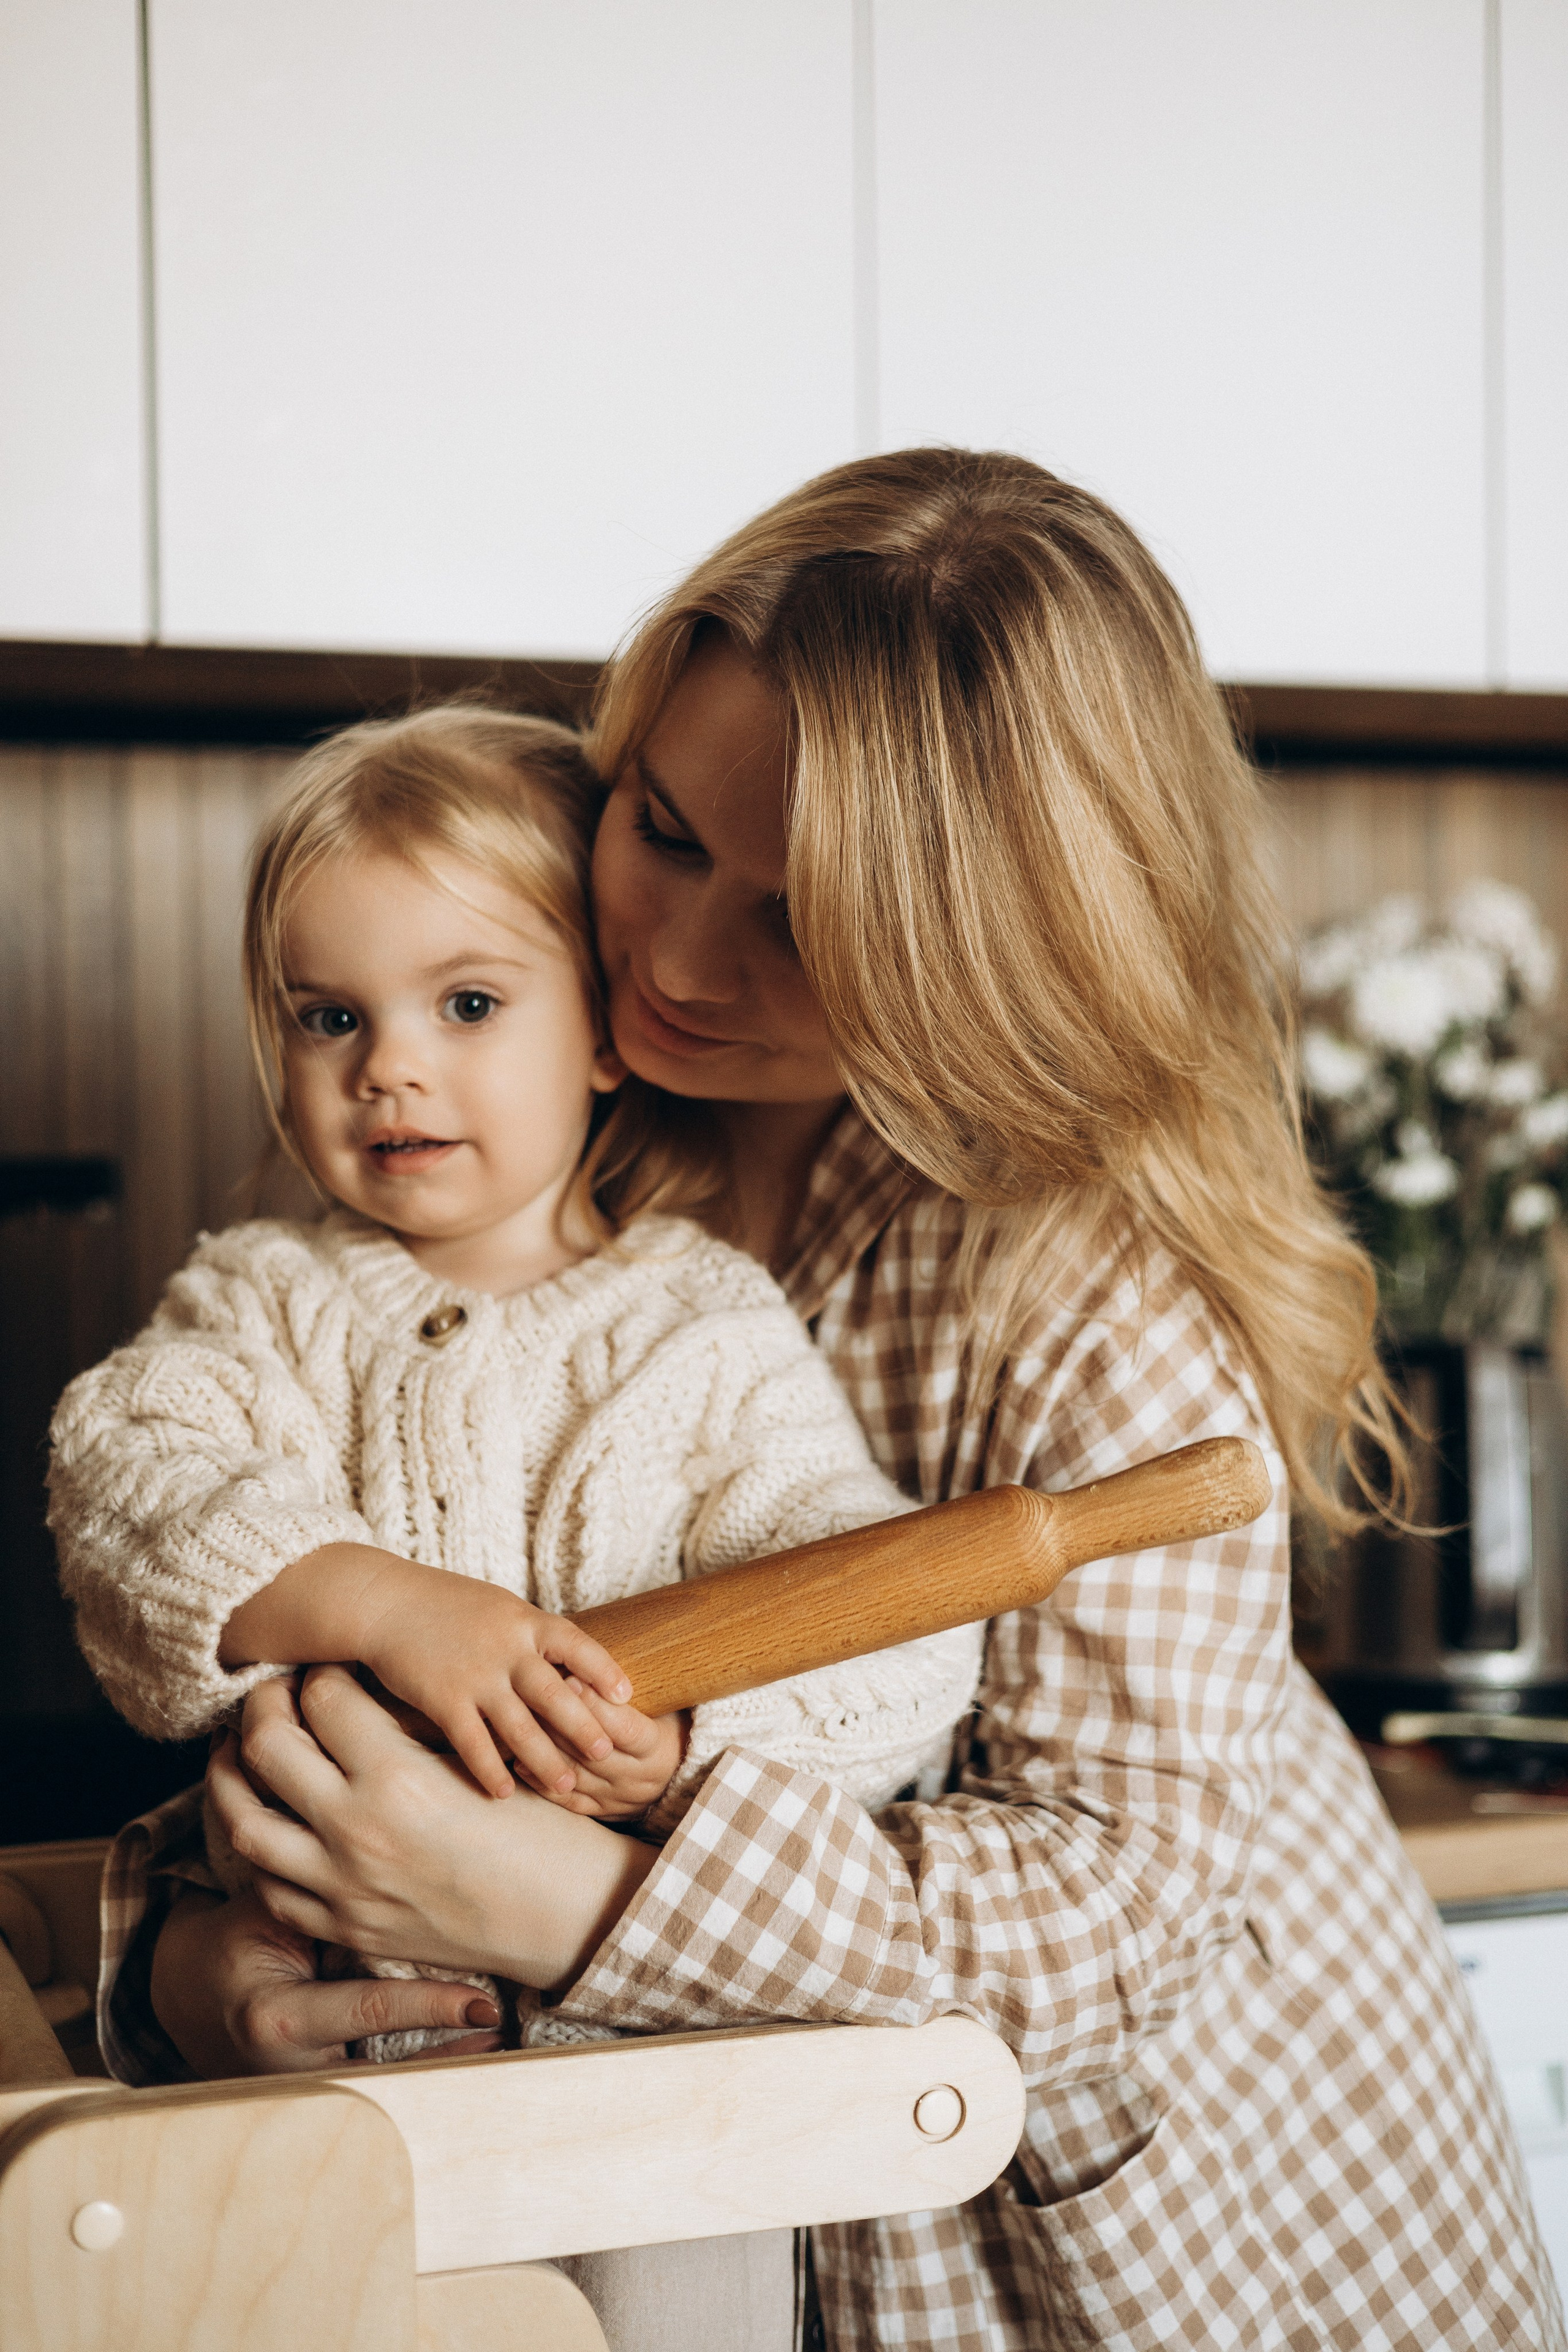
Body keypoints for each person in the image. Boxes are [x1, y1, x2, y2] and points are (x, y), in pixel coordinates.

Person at [109, 452, 1562, 2350]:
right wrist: (195, 1961)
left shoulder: (1095, 1289)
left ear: (993, 955)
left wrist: (566, 1900)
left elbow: (1112, 1926)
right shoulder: (529, 1159)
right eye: (661, 827)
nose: (679, 961)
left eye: (806, 925)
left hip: (1166, 2249)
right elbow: (341, 1646)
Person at [48, 701, 981, 2061]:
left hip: (653, 2069)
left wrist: (686, 1750)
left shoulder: (699, 1328)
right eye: (329, 1017)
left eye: (467, 1003)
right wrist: (383, 1605)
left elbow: (890, 1622)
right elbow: (124, 1477)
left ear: (603, 1036)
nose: (389, 1067)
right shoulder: (263, 1298)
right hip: (329, 2037)